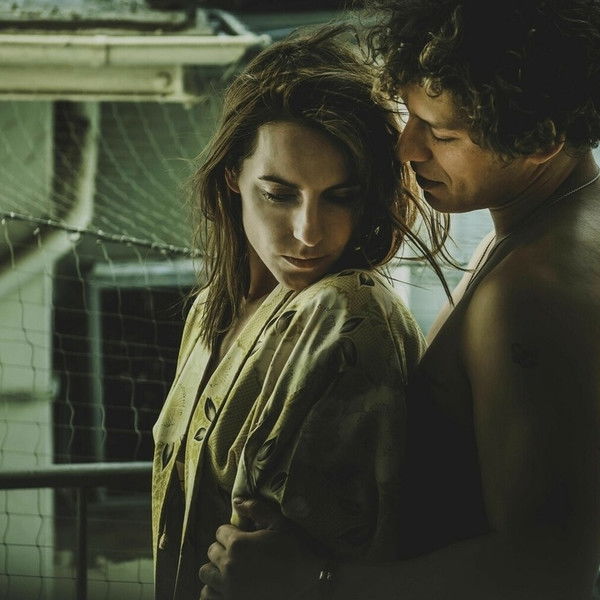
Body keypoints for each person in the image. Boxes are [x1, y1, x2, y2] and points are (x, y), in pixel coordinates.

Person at [199, 1, 600, 599]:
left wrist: (313, 582)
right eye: (411, 117)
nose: (408, 148)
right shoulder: (545, 229)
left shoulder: (531, 293)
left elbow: (549, 572)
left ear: (540, 138)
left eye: (442, 133)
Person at [151, 25, 446, 600]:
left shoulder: (348, 312)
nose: (309, 232)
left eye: (341, 196)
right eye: (279, 194)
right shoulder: (212, 308)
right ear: (233, 176)